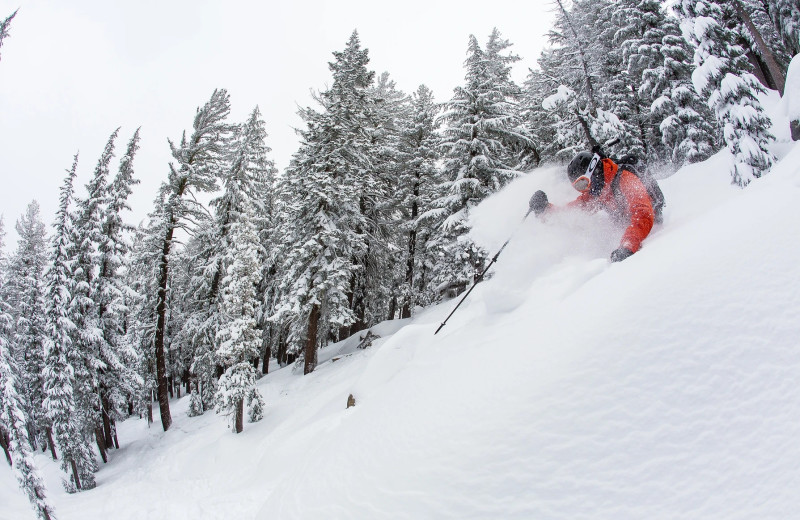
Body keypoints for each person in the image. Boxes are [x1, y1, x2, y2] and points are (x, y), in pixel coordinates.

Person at [529, 151, 655, 262]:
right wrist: (546, 208)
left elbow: (643, 215)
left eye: (583, 183)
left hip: (650, 231)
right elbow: (575, 210)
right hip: (627, 228)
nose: (585, 191)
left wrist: (627, 245)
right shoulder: (600, 191)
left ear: (594, 172)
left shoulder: (626, 180)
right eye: (579, 187)